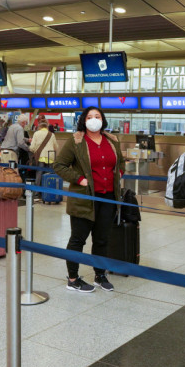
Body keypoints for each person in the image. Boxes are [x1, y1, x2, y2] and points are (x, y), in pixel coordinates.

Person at [54, 106, 124, 293]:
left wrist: (118, 175)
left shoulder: (112, 141)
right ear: (84, 121)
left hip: (108, 198)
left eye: (97, 116)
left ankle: (100, 275)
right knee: (78, 239)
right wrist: (79, 179)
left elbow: (121, 163)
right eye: (90, 117)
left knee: (102, 239)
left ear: (103, 119)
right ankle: (72, 278)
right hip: (84, 198)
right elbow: (59, 165)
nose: (94, 119)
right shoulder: (76, 141)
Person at [29, 117, 58, 187]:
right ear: (47, 125)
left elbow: (32, 147)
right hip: (50, 157)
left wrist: (32, 150)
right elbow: (56, 147)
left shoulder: (36, 134)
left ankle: (36, 193)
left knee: (39, 174)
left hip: (40, 157)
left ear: (39, 126)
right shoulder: (52, 135)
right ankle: (48, 192)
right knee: (49, 175)